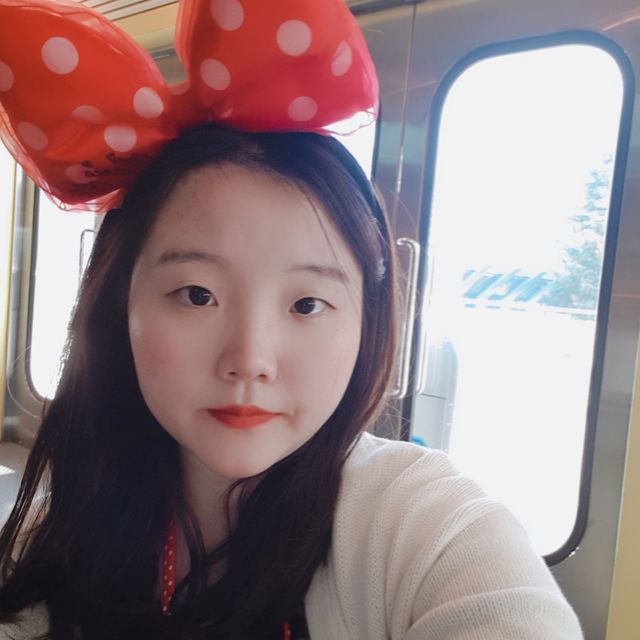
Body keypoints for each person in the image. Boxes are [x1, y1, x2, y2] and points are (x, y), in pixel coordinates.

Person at [0, 0, 584, 638]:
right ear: (118, 305)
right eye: (196, 294)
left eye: (307, 304)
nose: (250, 360)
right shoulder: (51, 541)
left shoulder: (425, 528)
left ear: (367, 318)